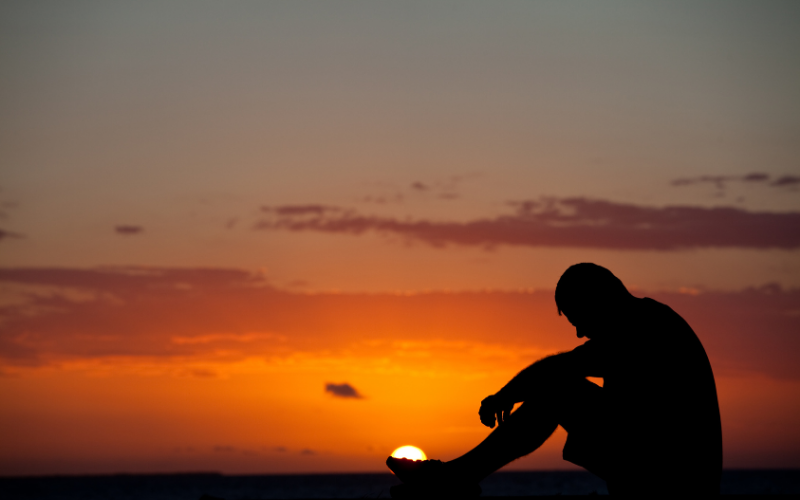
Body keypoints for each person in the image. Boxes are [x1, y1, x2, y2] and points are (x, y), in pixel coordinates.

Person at [387, 263, 722, 496]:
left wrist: (506, 395)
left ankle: (456, 478)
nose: (578, 332)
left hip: (675, 482)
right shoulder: (647, 322)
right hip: (662, 469)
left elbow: (561, 368)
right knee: (557, 388)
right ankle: (456, 477)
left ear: (599, 301)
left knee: (558, 391)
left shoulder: (645, 328)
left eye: (580, 318)